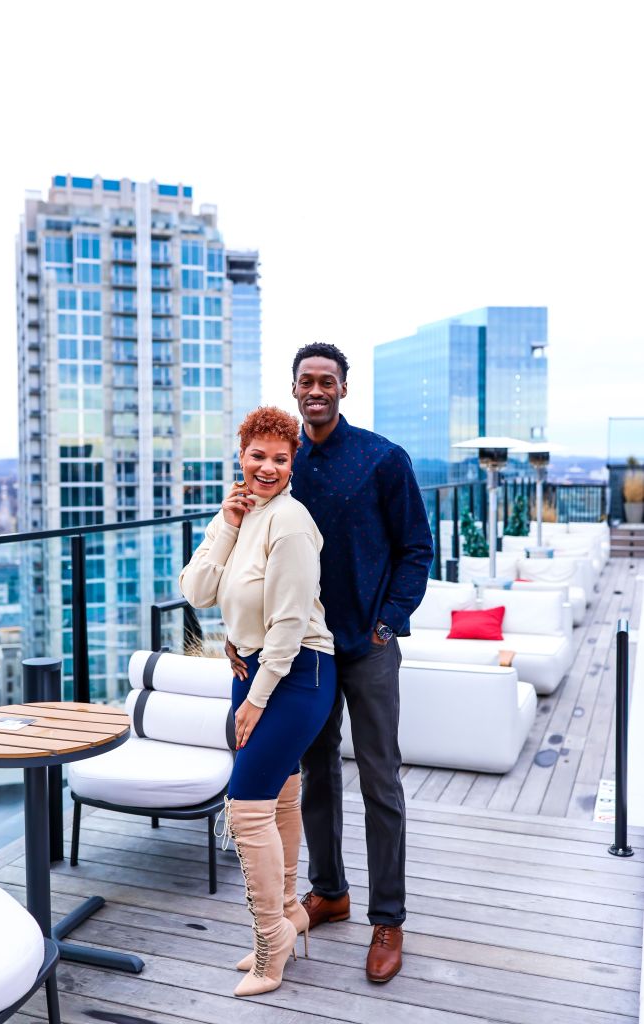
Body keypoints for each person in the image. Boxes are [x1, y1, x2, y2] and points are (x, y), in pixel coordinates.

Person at [251, 342, 432, 983]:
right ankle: (329, 891)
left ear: (343, 389)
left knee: (380, 781)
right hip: (308, 648)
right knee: (317, 774)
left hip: (368, 646)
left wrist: (389, 622)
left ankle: (388, 918)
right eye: (306, 381)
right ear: (294, 389)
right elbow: (258, 546)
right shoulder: (284, 463)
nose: (316, 390)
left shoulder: (383, 458)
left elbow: (417, 548)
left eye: (327, 381)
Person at [179, 406, 335, 998]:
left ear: (293, 464)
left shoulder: (290, 523)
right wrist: (225, 523)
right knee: (280, 795)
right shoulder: (242, 514)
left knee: (245, 807)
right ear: (240, 457)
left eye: (280, 458)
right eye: (257, 456)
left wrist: (255, 701)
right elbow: (197, 590)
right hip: (252, 668)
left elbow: (290, 624)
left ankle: (272, 942)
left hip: (295, 675)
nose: (267, 467)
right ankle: (290, 911)